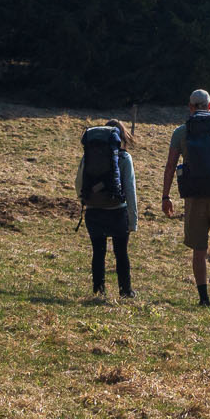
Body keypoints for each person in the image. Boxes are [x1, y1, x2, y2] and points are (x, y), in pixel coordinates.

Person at [160, 90, 210, 305]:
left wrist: (166, 196)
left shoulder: (181, 132)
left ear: (191, 107)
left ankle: (203, 298)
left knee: (199, 248)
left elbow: (170, 167)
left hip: (193, 197)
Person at [75, 120, 138, 299]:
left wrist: (87, 200)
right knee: (121, 253)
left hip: (94, 211)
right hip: (118, 211)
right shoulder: (125, 158)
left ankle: (98, 289)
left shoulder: (88, 156)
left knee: (98, 251)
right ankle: (126, 291)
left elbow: (78, 183)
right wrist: (133, 221)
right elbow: (130, 190)